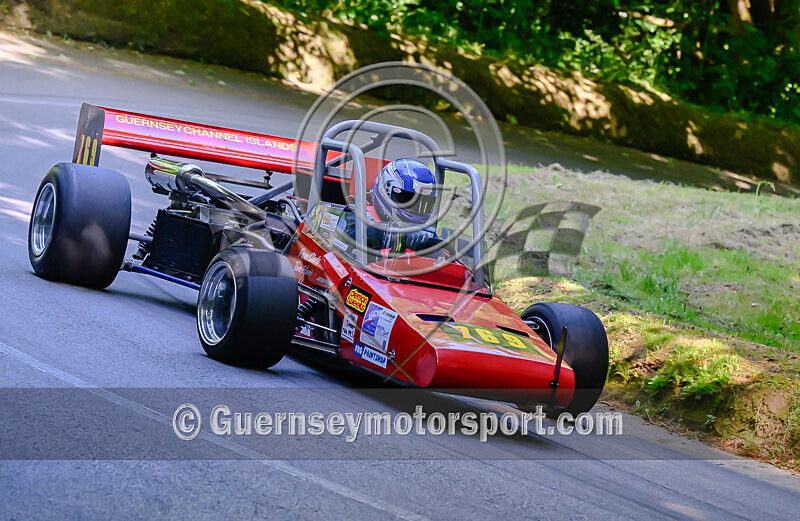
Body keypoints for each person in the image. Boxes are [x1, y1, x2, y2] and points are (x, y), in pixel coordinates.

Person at [338, 158, 442, 255]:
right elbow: (352, 231)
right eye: (407, 199)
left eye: (423, 204)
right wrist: (398, 237)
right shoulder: (355, 215)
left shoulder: (424, 234)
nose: (415, 208)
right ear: (385, 190)